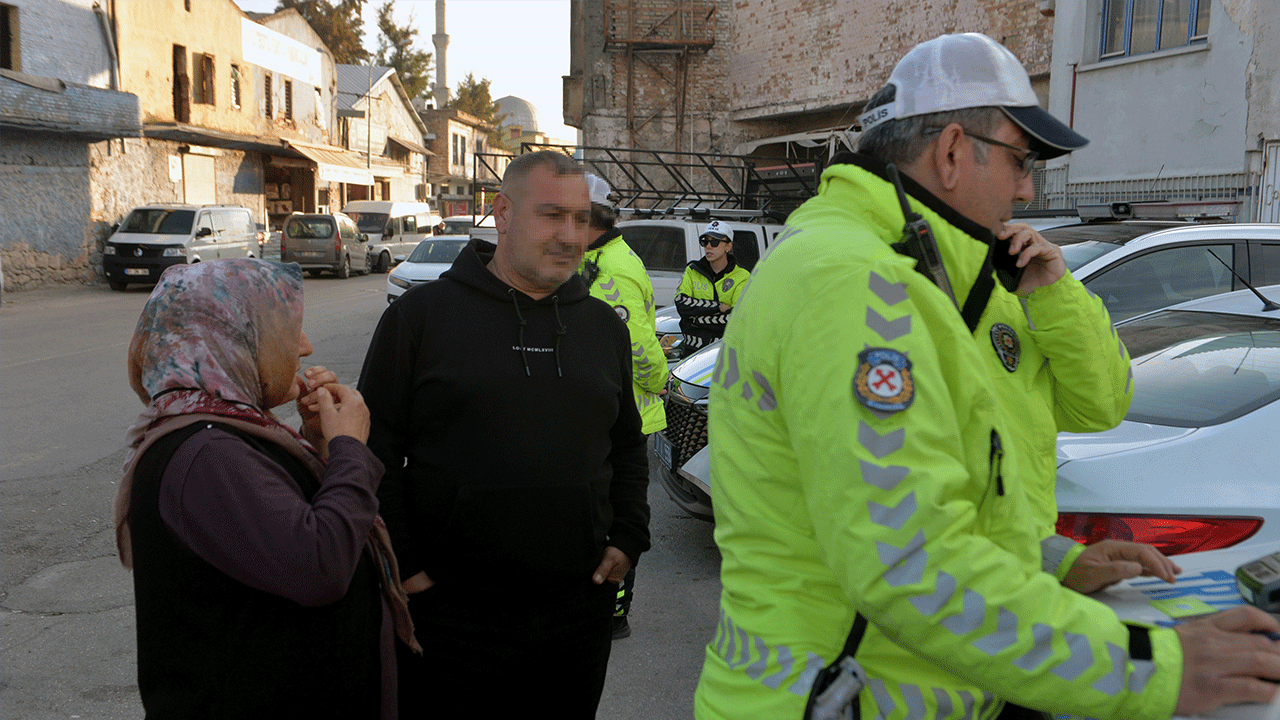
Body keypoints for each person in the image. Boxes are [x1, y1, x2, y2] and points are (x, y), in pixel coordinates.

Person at [694, 32, 1280, 720]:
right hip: (836, 697)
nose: (1029, 187)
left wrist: (1050, 559)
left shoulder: (949, 278)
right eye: (1020, 160)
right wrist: (1154, 666)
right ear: (949, 153)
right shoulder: (858, 284)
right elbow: (910, 563)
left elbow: (1097, 405)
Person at [358, 150, 651, 718]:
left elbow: (626, 444)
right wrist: (407, 563)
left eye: (581, 218)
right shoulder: (422, 318)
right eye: (552, 216)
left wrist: (628, 535)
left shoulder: (599, 327)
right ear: (502, 213)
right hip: (452, 613)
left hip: (577, 609)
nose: (572, 235)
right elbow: (375, 446)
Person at [113, 259, 418, 720]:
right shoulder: (206, 455)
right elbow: (320, 565)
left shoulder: (230, 434)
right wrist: (349, 447)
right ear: (232, 337)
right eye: (288, 328)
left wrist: (319, 446)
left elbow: (289, 530)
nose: (306, 345)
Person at [581, 172, 669, 640]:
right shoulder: (594, 257)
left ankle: (614, 612)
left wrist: (660, 382)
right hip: (607, 411)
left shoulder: (610, 268)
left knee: (615, 519)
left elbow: (637, 348)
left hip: (624, 414)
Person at [674, 219, 751, 356]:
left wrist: (695, 320)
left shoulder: (742, 277)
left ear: (728, 246)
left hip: (725, 353)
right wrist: (718, 307)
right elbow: (681, 305)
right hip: (691, 353)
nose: (708, 246)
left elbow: (736, 319)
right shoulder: (692, 271)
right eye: (705, 241)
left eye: (714, 242)